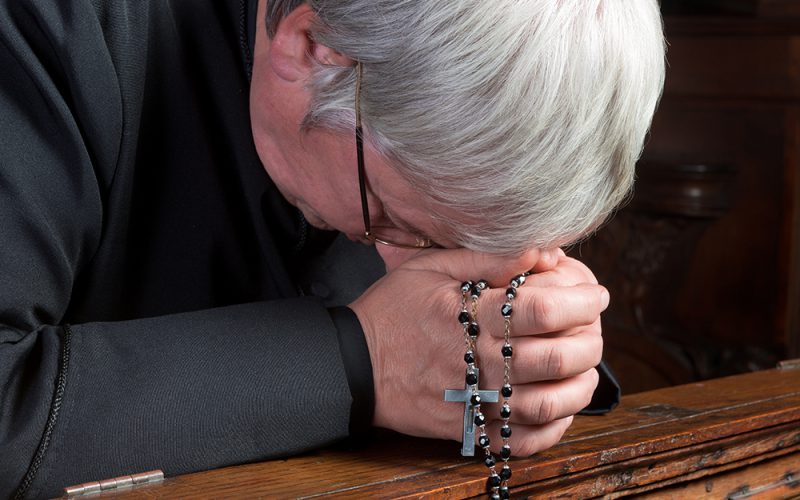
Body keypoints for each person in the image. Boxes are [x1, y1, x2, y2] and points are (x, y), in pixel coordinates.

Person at [0, 0, 665, 497]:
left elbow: (471, 362)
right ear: (312, 48)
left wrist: (532, 348)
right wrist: (364, 362)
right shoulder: (47, 30)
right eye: (401, 222)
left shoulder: (421, 112)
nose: (429, 272)